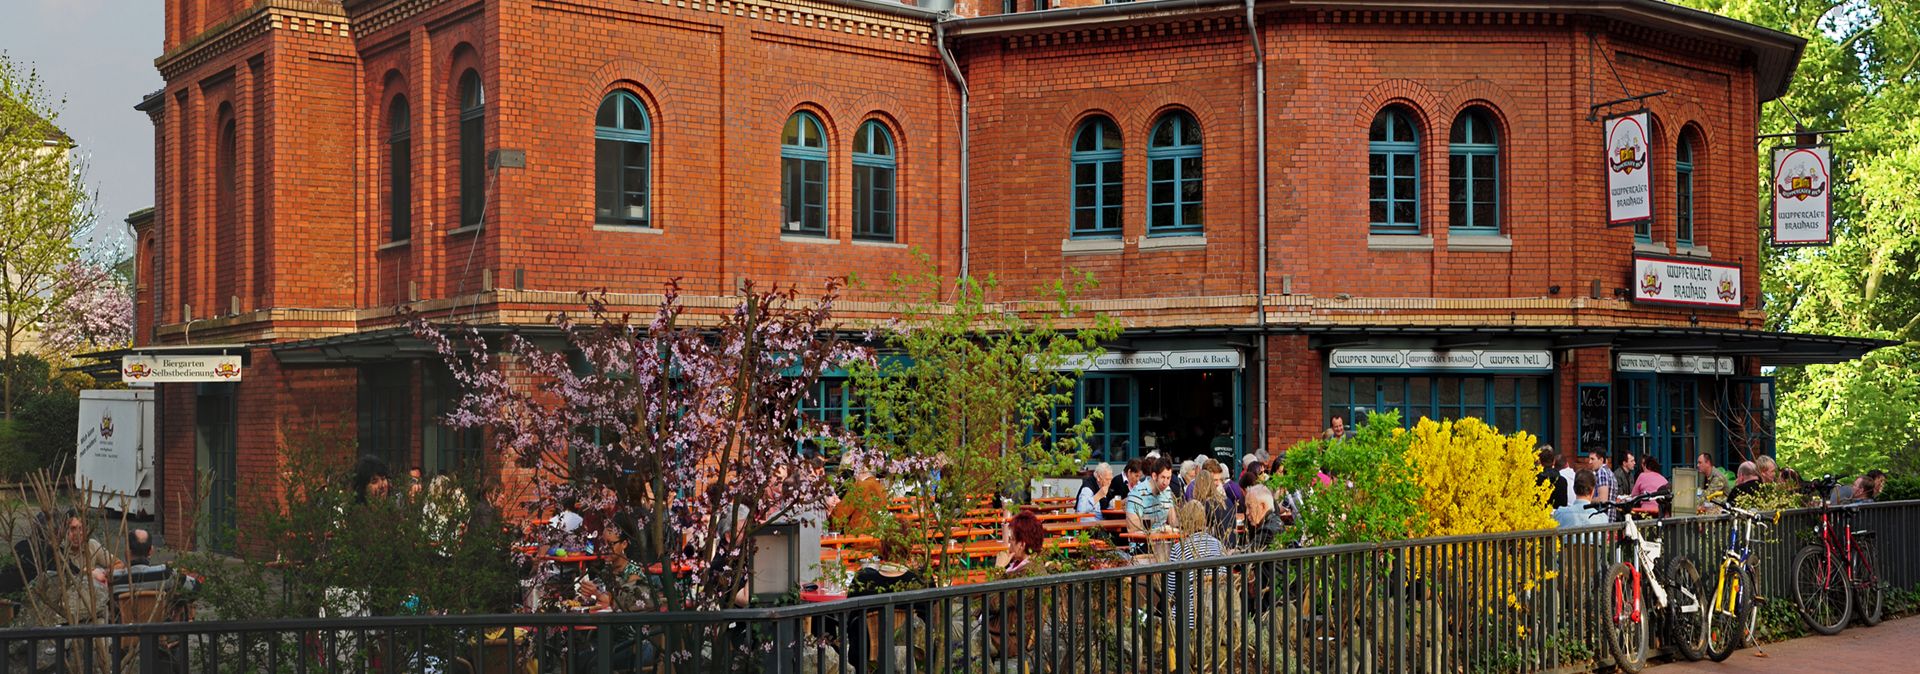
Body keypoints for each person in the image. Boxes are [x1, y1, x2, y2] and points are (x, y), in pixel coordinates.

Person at [30, 512, 123, 626]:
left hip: (91, 602)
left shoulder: (91, 545)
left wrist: (106, 573)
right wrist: (87, 572)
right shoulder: (57, 549)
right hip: (65, 606)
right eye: (73, 529)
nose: (78, 533)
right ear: (63, 530)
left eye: (81, 528)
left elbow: (118, 564)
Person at [108, 529, 200, 621]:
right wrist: (175, 603)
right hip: (158, 632)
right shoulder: (165, 573)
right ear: (151, 551)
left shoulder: (113, 579)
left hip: (126, 632)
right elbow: (196, 588)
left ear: (127, 552)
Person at [1163, 501, 1226, 629]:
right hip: (1219, 612)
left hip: (1188, 617)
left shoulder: (1178, 548)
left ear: (1184, 521)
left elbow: (1170, 591)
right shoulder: (1218, 544)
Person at [1126, 458, 1176, 535]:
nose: (1165, 482)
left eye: (1168, 478)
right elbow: (1132, 529)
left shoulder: (1167, 490)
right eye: (1163, 477)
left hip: (1164, 542)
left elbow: (1173, 522)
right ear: (1154, 476)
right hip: (1142, 544)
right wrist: (1159, 532)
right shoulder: (1137, 493)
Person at [830, 467, 888, 533]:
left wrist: (830, 519)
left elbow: (840, 514)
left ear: (861, 471)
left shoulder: (860, 485)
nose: (854, 476)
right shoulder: (881, 487)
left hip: (858, 535)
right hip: (878, 533)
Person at [1187, 469, 1234, 541]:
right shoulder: (1227, 500)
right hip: (1232, 544)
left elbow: (1197, 530)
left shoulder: (1205, 505)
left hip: (1215, 546)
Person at [1241, 485, 1287, 551]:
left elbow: (1247, 555)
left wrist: (1232, 553)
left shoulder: (1267, 531)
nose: (1247, 512)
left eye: (1250, 507)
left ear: (1262, 506)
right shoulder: (1273, 522)